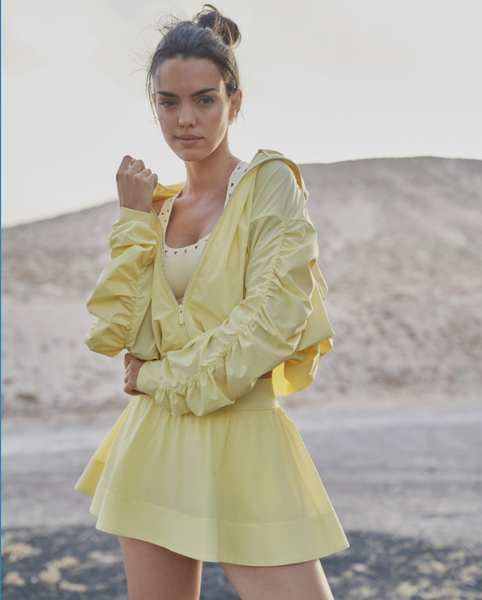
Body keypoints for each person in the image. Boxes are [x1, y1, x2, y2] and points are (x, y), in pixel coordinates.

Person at [74, 4, 350, 599]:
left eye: (205, 99)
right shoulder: (155, 210)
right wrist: (131, 219)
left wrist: (157, 378)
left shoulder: (269, 182)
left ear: (236, 101)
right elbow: (111, 335)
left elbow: (274, 319)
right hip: (153, 444)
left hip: (243, 443)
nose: (186, 120)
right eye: (168, 103)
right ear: (154, 107)